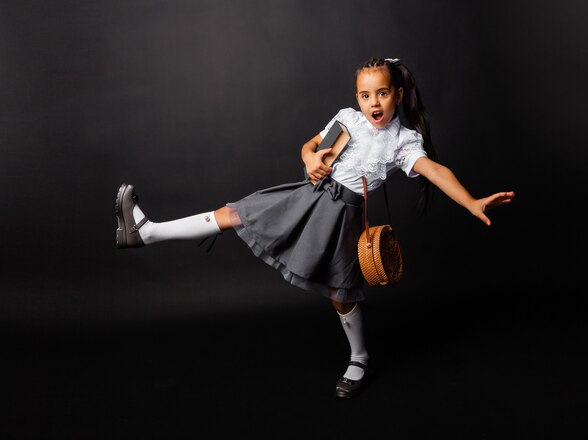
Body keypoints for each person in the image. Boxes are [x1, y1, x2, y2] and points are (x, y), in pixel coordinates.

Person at [115, 57, 515, 399]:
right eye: (365, 95)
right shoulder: (347, 119)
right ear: (357, 97)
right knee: (237, 213)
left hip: (343, 217)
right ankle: (147, 232)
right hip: (309, 197)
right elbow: (310, 147)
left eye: (382, 93)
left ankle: (359, 358)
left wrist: (472, 201)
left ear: (398, 95)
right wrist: (309, 159)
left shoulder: (403, 141)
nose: (373, 102)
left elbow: (436, 171)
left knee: (342, 294)